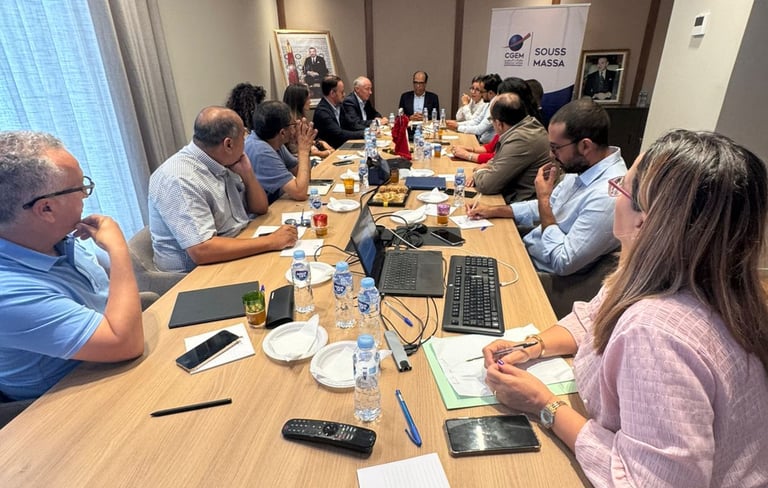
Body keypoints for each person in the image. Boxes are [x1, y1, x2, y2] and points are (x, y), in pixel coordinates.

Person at [482, 129, 768, 487]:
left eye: (620, 188)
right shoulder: (712, 285)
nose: (613, 194)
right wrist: (532, 346)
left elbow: (648, 482)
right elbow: (592, 318)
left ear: (644, 222)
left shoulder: (656, 333)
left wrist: (543, 403)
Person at [0, 131, 144, 400]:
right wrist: (118, 249)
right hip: (65, 403)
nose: (85, 196)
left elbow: (106, 305)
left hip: (111, 368)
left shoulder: (53, 238)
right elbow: (124, 343)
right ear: (46, 209)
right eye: (79, 188)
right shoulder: (7, 292)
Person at [467, 98, 626, 276]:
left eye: (556, 148)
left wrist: (543, 198)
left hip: (541, 276)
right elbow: (547, 207)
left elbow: (562, 262)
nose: (551, 155)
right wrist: (493, 210)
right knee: (469, 248)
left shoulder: (607, 197)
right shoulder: (584, 166)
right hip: (527, 252)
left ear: (585, 146)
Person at [148, 106, 297, 273]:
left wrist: (248, 174)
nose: (246, 143)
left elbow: (260, 208)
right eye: (243, 137)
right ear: (228, 144)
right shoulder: (179, 178)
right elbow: (202, 250)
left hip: (235, 247)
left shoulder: (223, 160)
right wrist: (271, 241)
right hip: (196, 274)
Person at [466, 93, 549, 203]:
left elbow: (487, 185)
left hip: (522, 204)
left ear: (499, 124)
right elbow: (498, 159)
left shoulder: (520, 139)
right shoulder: (528, 125)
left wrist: (478, 172)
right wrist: (488, 167)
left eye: (491, 120)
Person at [452, 77, 542, 165]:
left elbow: (499, 159)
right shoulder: (510, 118)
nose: (496, 98)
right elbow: (492, 147)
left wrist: (468, 155)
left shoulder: (522, 130)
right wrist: (469, 150)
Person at [245, 100, 316, 203]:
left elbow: (302, 176)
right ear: (282, 133)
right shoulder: (260, 151)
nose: (296, 129)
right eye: (293, 125)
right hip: (264, 211)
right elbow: (300, 193)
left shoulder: (274, 142)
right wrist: (304, 150)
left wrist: (305, 147)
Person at [282, 84, 333, 159]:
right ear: (299, 101)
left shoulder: (299, 118)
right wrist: (328, 152)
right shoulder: (294, 124)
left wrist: (320, 143)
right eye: (308, 99)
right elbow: (299, 151)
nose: (310, 102)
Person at [312, 75, 364, 149]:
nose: (344, 94)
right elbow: (339, 134)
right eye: (342, 92)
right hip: (330, 151)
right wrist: (364, 134)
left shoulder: (339, 106)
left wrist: (369, 130)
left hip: (342, 147)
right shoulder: (322, 112)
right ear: (332, 93)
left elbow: (352, 124)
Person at [446, 73, 500, 144]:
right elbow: (476, 121)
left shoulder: (495, 106)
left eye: (481, 91)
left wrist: (457, 127)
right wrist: (457, 124)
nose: (481, 94)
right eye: (472, 88)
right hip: (482, 142)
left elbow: (479, 129)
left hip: (487, 144)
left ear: (490, 93)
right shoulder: (488, 103)